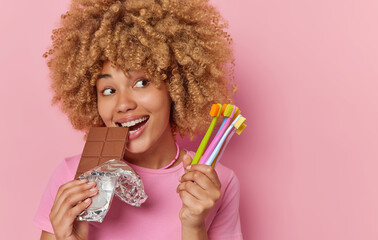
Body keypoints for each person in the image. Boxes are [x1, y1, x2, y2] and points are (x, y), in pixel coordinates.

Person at [33, 0, 242, 239]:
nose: (123, 104)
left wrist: (194, 226)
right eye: (109, 90)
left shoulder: (217, 184)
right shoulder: (71, 178)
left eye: (141, 82)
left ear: (175, 87)